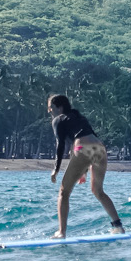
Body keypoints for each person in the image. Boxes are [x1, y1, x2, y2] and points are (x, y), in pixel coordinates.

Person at [47, 93, 124, 238]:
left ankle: (61, 232)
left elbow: (61, 145)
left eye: (51, 107)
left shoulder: (58, 120)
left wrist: (55, 169)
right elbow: (87, 142)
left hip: (83, 149)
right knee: (98, 191)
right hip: (99, 148)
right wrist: (83, 171)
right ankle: (118, 226)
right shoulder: (78, 117)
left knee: (64, 192)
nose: (49, 111)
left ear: (59, 107)